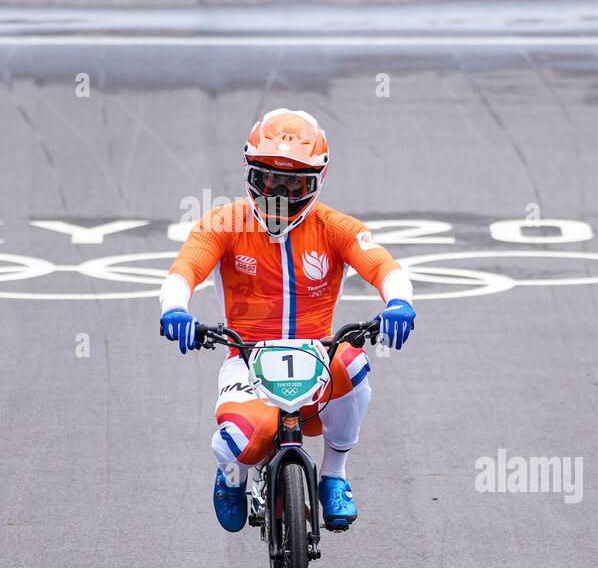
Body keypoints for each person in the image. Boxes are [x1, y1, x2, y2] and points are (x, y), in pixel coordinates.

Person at [157, 108, 416, 532]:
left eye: (293, 183)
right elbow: (183, 272)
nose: (279, 193)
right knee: (235, 444)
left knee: (352, 361)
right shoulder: (223, 223)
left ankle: (334, 475)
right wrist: (175, 311)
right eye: (269, 180)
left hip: (318, 354)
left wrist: (399, 303)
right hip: (246, 358)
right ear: (249, 173)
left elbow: (385, 268)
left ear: (317, 181)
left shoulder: (337, 228)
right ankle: (231, 477)